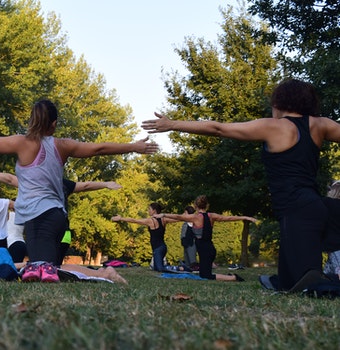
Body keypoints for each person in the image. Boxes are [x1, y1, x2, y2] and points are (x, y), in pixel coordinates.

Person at [0, 99, 158, 282]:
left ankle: (103, 274)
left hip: (41, 218)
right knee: (41, 269)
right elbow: (99, 148)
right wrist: (134, 147)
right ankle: (98, 273)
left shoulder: (22, 142)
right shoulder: (63, 145)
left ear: (32, 120)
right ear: (53, 124)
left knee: (46, 269)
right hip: (57, 217)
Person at [142, 78, 339, 290]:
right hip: (312, 207)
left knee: (309, 284)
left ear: (280, 103)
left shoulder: (274, 127)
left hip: (297, 211)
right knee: (287, 282)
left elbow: (218, 128)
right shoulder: (321, 124)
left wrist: (173, 124)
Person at [0, 169, 122, 264]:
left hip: (47, 230)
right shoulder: (64, 184)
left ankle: (52, 270)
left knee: (47, 262)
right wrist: (105, 184)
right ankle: (54, 270)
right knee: (54, 262)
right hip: (64, 229)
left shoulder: (36, 183)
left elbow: (11, 179)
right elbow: (86, 186)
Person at [157, 195, 257, 282]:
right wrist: (246, 217)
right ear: (206, 205)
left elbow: (178, 216)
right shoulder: (211, 216)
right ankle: (230, 277)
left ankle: (233, 278)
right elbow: (229, 218)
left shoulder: (195, 217)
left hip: (205, 250)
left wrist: (163, 214)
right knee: (204, 274)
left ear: (195, 206)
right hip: (209, 249)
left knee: (205, 276)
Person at [112, 203, 172, 272]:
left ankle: (177, 269)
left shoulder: (151, 221)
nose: (148, 211)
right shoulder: (163, 220)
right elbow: (177, 219)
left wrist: (120, 218)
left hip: (158, 249)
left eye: (149, 209)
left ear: (154, 211)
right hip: (162, 247)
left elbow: (134, 220)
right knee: (155, 268)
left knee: (160, 269)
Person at [323, 181, 340, 280]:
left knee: (335, 271)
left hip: (334, 245)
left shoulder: (326, 203)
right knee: (330, 272)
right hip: (335, 245)